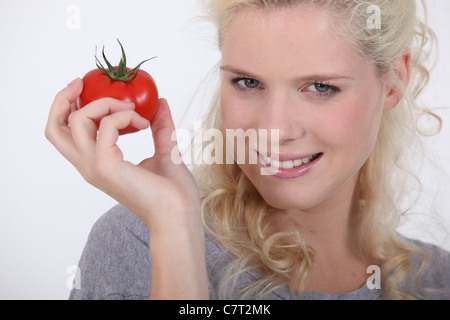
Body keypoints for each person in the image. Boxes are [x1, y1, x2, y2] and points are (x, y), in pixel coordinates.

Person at [45, 0, 450, 300]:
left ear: (395, 79)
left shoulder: (436, 279)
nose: (273, 131)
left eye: (321, 87)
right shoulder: (140, 241)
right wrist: (174, 231)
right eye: (248, 83)